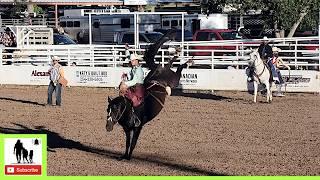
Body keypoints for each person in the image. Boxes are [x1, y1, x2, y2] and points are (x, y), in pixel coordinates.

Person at [119, 53, 145, 127]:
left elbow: (134, 81)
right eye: (131, 61)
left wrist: (125, 83)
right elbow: (132, 80)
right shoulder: (134, 69)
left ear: (137, 61)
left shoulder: (138, 70)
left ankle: (137, 118)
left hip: (139, 88)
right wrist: (126, 80)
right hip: (135, 87)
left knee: (134, 101)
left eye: (133, 60)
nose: (131, 62)